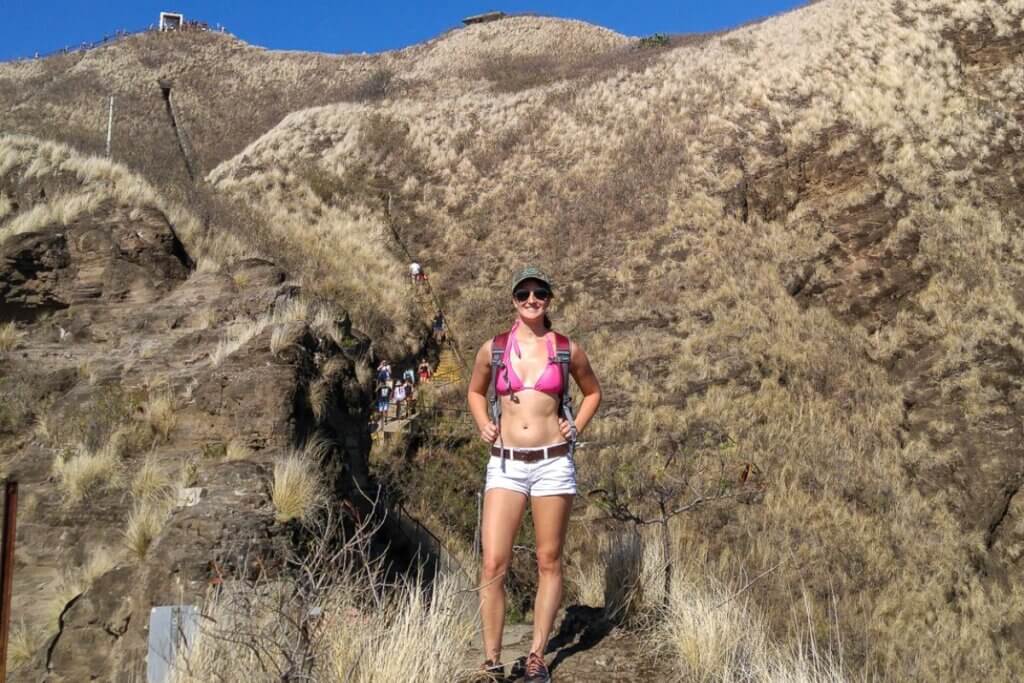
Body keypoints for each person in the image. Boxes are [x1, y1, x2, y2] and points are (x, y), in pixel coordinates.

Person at [467, 267, 602, 682]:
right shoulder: (493, 349)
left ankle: (536, 656)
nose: (531, 299)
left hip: (553, 463)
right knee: (493, 563)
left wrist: (575, 425)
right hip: (505, 464)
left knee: (548, 559)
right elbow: (475, 391)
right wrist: (482, 424)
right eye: (523, 293)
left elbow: (593, 392)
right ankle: (492, 660)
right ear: (512, 299)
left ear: (548, 299)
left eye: (539, 293)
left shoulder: (567, 349)